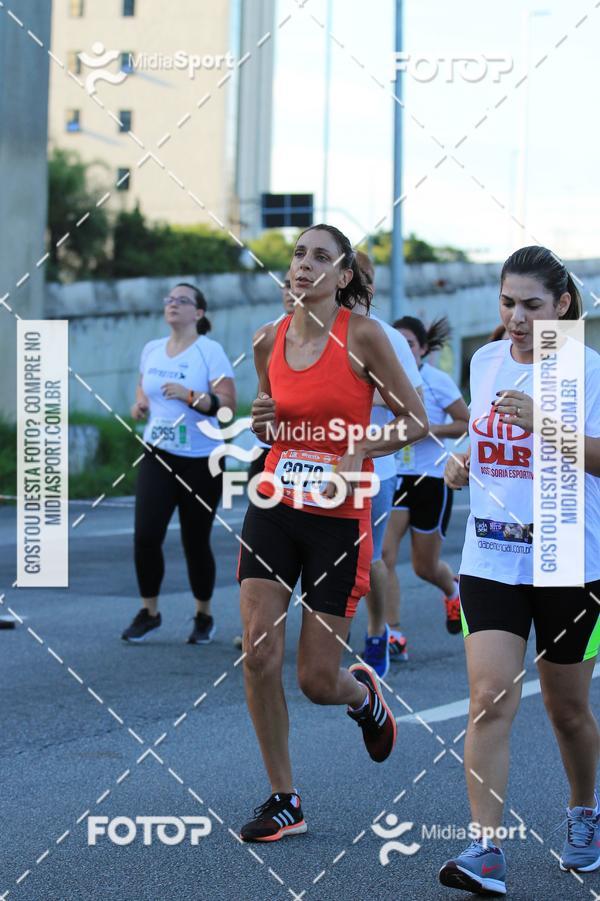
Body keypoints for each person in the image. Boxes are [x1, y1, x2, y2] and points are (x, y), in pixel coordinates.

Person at [237, 224, 428, 842]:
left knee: (316, 680)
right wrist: (262, 423)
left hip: (339, 520)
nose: (304, 265)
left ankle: (361, 696)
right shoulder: (269, 339)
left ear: (344, 276)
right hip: (273, 502)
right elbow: (269, 425)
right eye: (298, 254)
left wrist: (362, 447)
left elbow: (416, 422)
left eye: (322, 257)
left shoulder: (365, 337)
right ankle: (284, 798)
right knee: (258, 650)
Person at [439, 246, 600, 895]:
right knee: (489, 697)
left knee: (567, 710)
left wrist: (546, 422)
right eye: (507, 302)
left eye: (531, 304)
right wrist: (461, 456)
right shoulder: (484, 359)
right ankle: (485, 849)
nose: (515, 316)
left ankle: (584, 808)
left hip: (572, 558)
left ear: (561, 306)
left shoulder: (586, 369)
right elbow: (486, 434)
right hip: (492, 554)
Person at [122, 283, 236, 644]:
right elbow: (145, 387)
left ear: (198, 313)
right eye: (169, 299)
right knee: (145, 536)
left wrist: (192, 397)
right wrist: (139, 404)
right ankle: (149, 612)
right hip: (158, 453)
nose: (172, 304)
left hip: (201, 460)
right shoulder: (152, 349)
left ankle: (203, 615)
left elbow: (228, 404)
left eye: (182, 300)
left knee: (195, 540)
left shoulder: (210, 351)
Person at [354, 251, 424, 677]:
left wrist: (360, 393)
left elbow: (414, 405)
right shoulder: (317, 331)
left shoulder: (387, 337)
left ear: (370, 285)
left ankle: (377, 633)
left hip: (375, 470)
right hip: (317, 468)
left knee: (368, 557)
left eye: (362, 276)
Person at [382, 316, 469, 651]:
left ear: (422, 349)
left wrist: (428, 428)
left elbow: (464, 423)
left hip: (432, 478)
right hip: (396, 475)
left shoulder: (437, 381)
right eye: (395, 343)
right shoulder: (384, 380)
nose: (402, 350)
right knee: (385, 554)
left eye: (409, 344)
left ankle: (453, 590)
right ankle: (393, 632)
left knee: (424, 566)